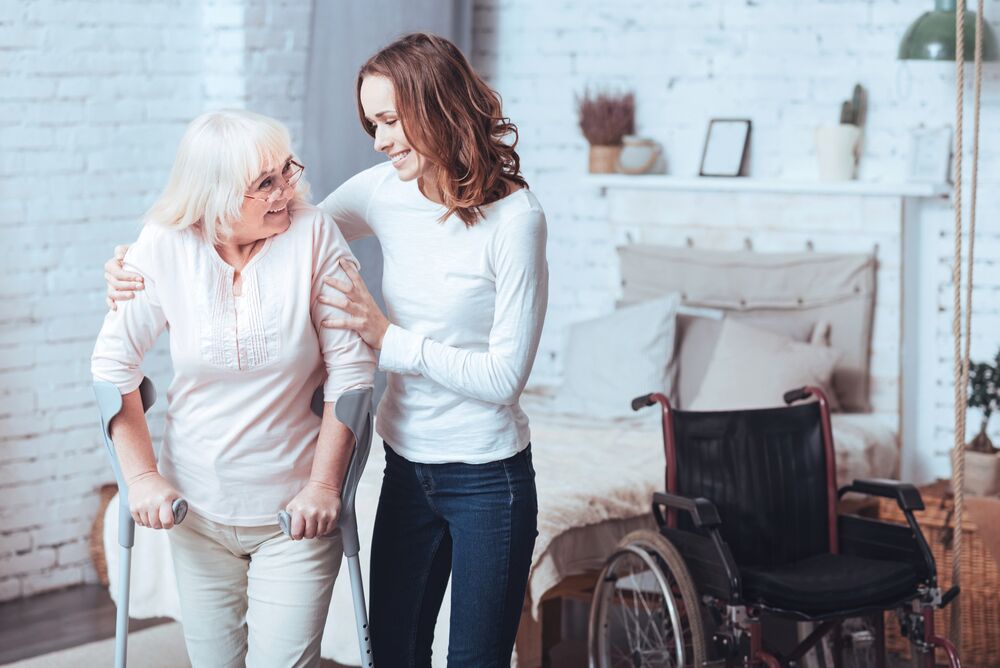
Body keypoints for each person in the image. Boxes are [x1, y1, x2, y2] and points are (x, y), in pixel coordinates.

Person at [104, 32, 547, 667]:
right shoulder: (384, 189)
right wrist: (138, 263)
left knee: (475, 658)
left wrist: (387, 339)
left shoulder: (517, 220)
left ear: (439, 107)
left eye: (391, 120)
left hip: (487, 475)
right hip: (406, 465)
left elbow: (504, 378)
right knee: (394, 653)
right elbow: (283, 226)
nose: (379, 140)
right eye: (373, 123)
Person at [92, 109, 375, 668]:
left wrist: (324, 486)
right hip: (194, 509)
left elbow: (353, 372)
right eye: (264, 184)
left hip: (294, 513)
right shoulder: (164, 246)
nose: (285, 193)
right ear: (215, 196)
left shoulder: (313, 234)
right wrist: (143, 478)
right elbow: (111, 366)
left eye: (285, 172)